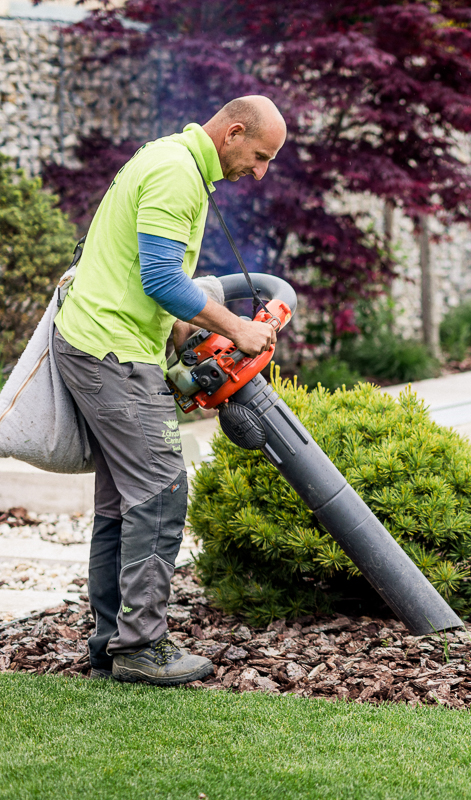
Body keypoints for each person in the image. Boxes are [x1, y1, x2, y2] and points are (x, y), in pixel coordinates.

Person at [52, 96, 287, 685]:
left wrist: (181, 323)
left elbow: (146, 272)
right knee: (158, 493)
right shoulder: (178, 174)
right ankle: (141, 647)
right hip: (114, 352)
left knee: (122, 503)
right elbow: (159, 277)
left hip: (99, 340)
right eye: (259, 157)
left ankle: (111, 642)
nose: (259, 173)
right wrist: (236, 328)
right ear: (233, 133)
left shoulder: (169, 158)